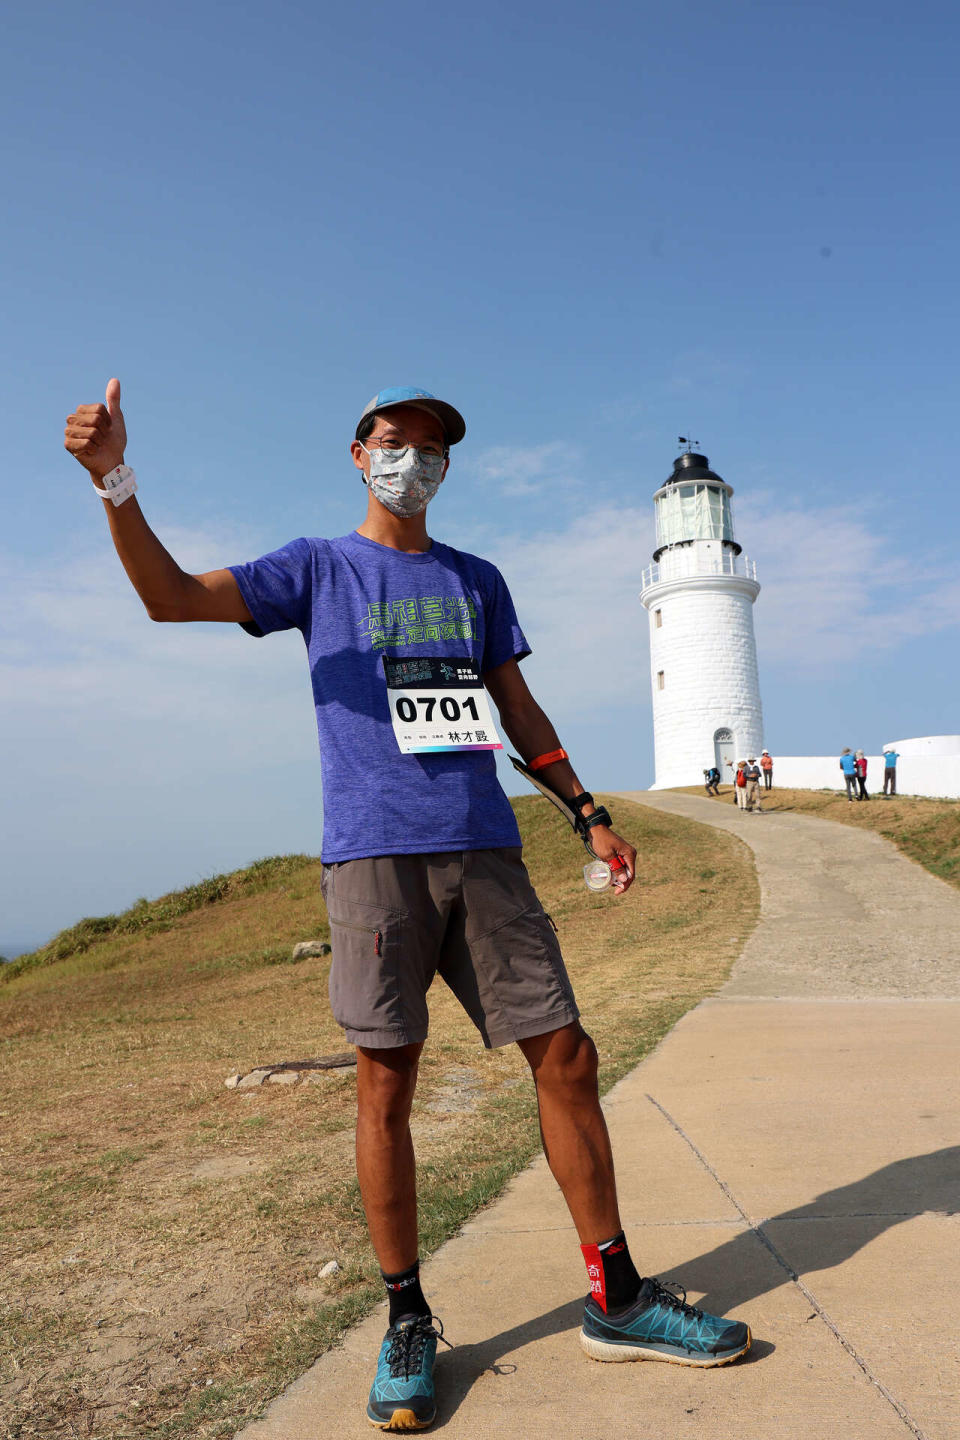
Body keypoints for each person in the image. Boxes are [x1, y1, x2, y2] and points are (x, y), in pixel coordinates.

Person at [64, 380, 752, 1431]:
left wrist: (586, 810)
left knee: (566, 1054)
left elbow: (515, 705)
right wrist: (114, 483)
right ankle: (407, 1319)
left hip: (486, 848)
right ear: (357, 453)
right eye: (397, 442)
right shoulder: (315, 567)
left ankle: (615, 1297)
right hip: (374, 858)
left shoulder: (478, 579)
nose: (415, 461)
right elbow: (171, 596)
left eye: (434, 450)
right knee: (386, 1082)